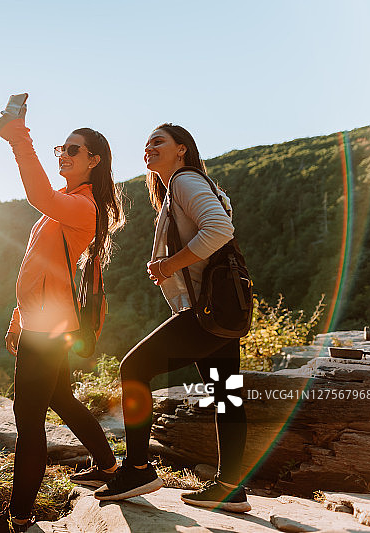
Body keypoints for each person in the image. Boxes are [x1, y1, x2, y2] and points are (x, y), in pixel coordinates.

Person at [0, 101, 123, 532]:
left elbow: (38, 194)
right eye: (61, 149)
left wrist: (19, 137)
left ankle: (17, 518)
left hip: (48, 330)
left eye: (73, 150)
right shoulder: (68, 202)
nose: (64, 155)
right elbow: (40, 267)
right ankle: (109, 466)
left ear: (94, 160)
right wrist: (18, 318)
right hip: (45, 322)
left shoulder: (83, 206)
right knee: (61, 399)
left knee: (29, 422)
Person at [93, 124, 251, 513]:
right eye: (146, 143)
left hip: (204, 311)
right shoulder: (189, 186)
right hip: (226, 307)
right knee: (227, 394)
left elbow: (220, 229)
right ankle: (231, 488)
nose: (149, 147)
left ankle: (137, 469)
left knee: (133, 368)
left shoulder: (184, 181)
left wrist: (168, 265)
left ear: (182, 149)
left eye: (158, 141)